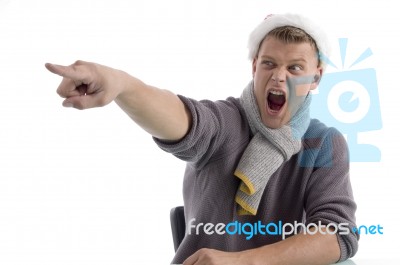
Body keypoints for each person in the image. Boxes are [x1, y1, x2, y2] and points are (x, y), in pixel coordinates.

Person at [46, 13, 359, 265]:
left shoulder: (324, 143)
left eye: (294, 68)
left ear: (315, 77)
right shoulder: (227, 122)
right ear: (254, 67)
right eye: (269, 64)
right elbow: (184, 119)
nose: (279, 76)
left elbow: (337, 234)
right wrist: (123, 85)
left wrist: (241, 262)